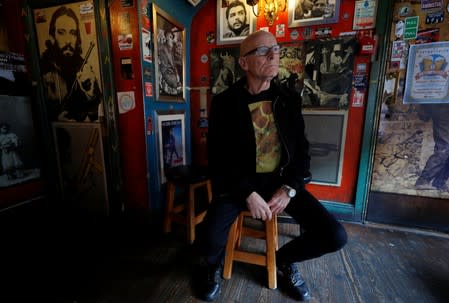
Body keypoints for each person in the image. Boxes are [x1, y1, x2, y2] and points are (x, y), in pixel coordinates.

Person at [193, 30, 347, 302]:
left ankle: (282, 261)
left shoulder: (288, 100)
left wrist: (289, 188)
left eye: (275, 49)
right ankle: (210, 267)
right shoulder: (225, 103)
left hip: (280, 184)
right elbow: (218, 158)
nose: (274, 54)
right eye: (264, 51)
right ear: (244, 63)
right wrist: (246, 193)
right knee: (207, 238)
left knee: (334, 235)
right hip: (240, 184)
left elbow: (302, 154)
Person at [40, 6, 102, 122]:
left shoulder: (84, 69)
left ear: (77, 38)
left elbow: (97, 114)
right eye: (61, 33)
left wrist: (90, 92)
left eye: (73, 33)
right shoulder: (43, 68)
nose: (68, 40)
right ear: (52, 37)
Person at [415, 104, 449, 190]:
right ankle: (423, 180)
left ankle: (439, 181)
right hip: (442, 105)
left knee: (445, 147)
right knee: (444, 147)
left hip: (441, 103)